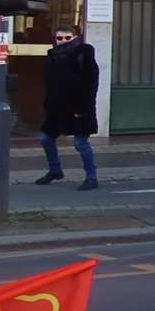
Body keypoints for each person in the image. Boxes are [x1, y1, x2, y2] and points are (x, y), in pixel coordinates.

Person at [37, 25, 100, 190]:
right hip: (57, 108)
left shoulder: (84, 53)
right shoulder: (52, 56)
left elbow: (91, 83)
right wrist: (48, 104)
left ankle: (91, 177)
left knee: (80, 143)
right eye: (60, 38)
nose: (63, 41)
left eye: (67, 38)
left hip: (79, 107)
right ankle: (55, 170)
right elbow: (49, 83)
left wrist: (83, 108)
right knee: (45, 138)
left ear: (74, 37)